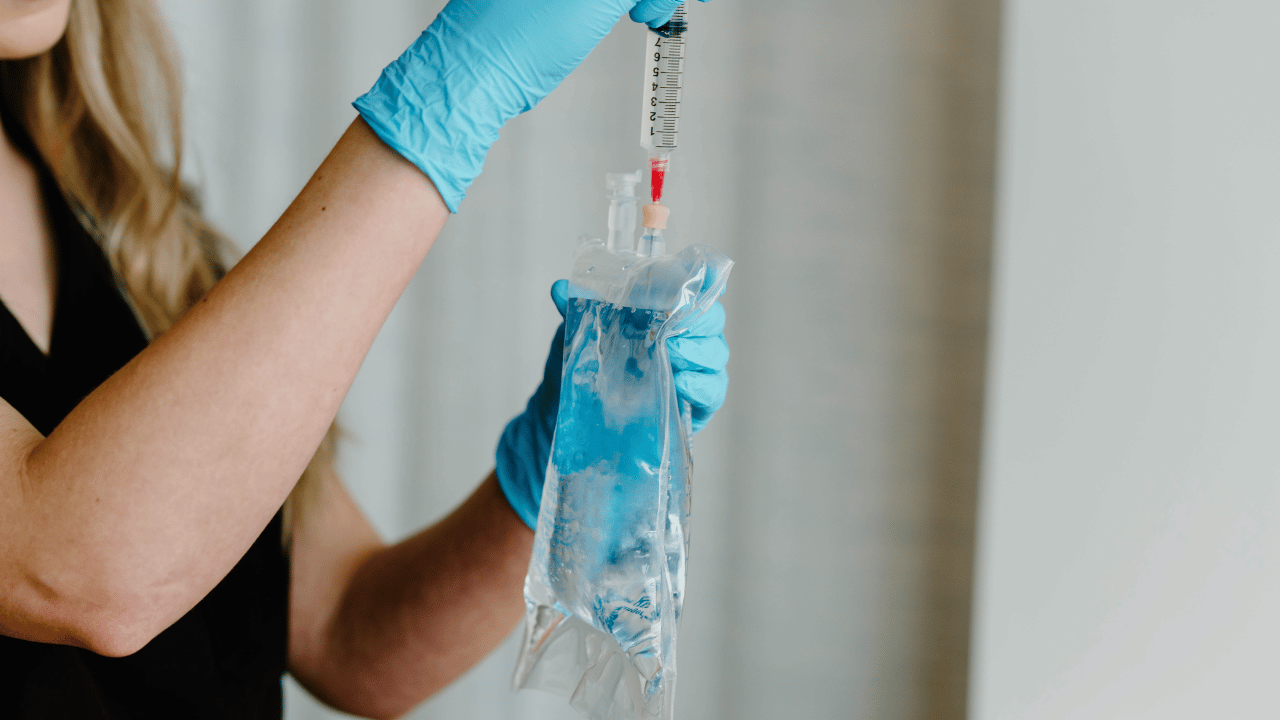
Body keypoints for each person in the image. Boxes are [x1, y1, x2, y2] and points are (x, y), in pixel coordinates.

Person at [0, 0, 728, 717]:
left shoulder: (125, 216)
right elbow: (77, 577)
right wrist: (453, 90)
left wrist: (547, 467)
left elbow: (346, 627)